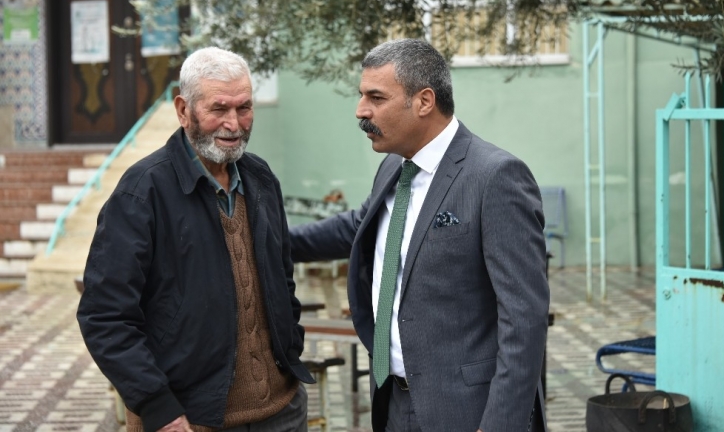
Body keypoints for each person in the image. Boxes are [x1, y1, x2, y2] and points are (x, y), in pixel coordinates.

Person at [290, 38, 549, 431]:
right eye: (362, 96)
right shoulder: (395, 165)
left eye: (376, 97)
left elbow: (524, 318)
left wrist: (501, 424)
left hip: (466, 411)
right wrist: (268, 240)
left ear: (424, 101)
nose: (361, 111)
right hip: (393, 402)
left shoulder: (494, 177)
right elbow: (357, 226)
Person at [77, 47, 314, 432]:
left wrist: (291, 347)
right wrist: (159, 409)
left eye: (244, 108)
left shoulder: (261, 179)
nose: (234, 124)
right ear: (183, 110)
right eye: (219, 109)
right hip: (188, 420)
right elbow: (104, 316)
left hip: (282, 411)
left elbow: (282, 278)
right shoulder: (141, 193)